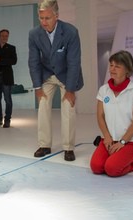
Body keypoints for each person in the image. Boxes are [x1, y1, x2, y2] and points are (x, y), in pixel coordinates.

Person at [28, 0, 84, 161]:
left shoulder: (70, 32)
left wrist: (71, 90)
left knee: (68, 107)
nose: (44, 22)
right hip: (47, 74)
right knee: (43, 106)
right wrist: (38, 87)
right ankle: (44, 145)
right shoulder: (34, 34)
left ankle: (68, 147)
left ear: (56, 16)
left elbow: (74, 62)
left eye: (47, 18)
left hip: (67, 75)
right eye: (41, 18)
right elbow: (33, 62)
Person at [90, 50, 133, 177]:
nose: (112, 69)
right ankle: (115, 156)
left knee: (112, 169)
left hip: (130, 142)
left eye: (117, 66)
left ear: (127, 70)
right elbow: (100, 116)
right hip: (108, 140)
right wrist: (106, 137)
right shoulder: (103, 90)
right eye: (111, 65)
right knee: (96, 167)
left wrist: (122, 142)